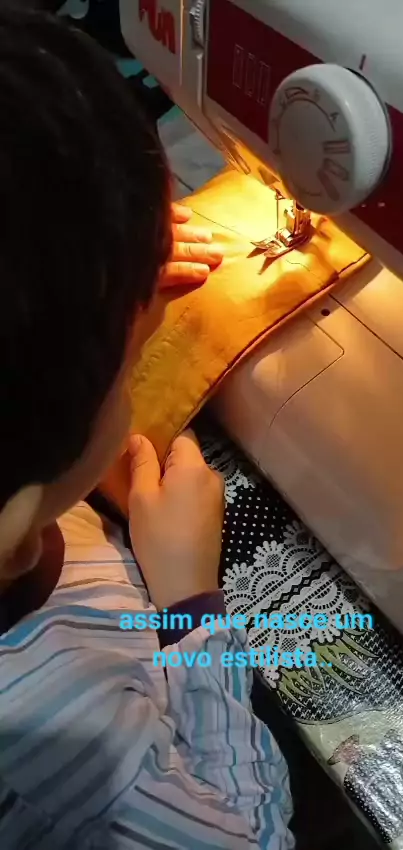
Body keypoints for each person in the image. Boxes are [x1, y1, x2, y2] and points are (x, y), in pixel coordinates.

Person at [0, 7, 293, 849]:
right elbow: (251, 835)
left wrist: (98, 292)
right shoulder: (88, 752)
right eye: (132, 364)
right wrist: (188, 604)